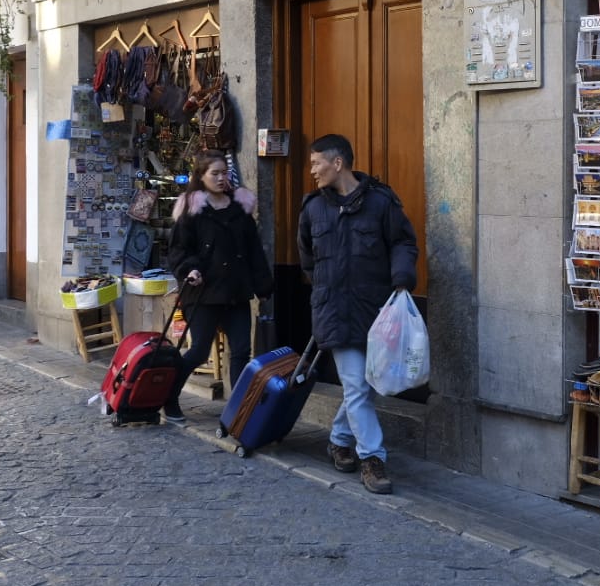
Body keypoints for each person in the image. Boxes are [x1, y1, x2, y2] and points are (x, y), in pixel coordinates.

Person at [297, 133, 418, 495]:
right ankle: (372, 459)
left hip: (376, 311)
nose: (313, 170)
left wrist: (401, 278)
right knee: (355, 386)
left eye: (317, 163)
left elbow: (403, 242)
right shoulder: (312, 208)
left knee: (364, 387)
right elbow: (307, 259)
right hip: (334, 311)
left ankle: (337, 438)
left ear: (338, 163)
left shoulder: (381, 202)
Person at [165, 150, 274, 422]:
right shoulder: (191, 209)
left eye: (224, 172)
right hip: (203, 292)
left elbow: (254, 251)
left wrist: (264, 286)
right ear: (201, 176)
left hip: (236, 291)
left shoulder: (239, 208)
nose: (221, 178)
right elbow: (178, 249)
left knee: (240, 351)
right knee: (199, 349)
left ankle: (238, 410)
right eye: (214, 173)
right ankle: (169, 398)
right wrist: (190, 269)